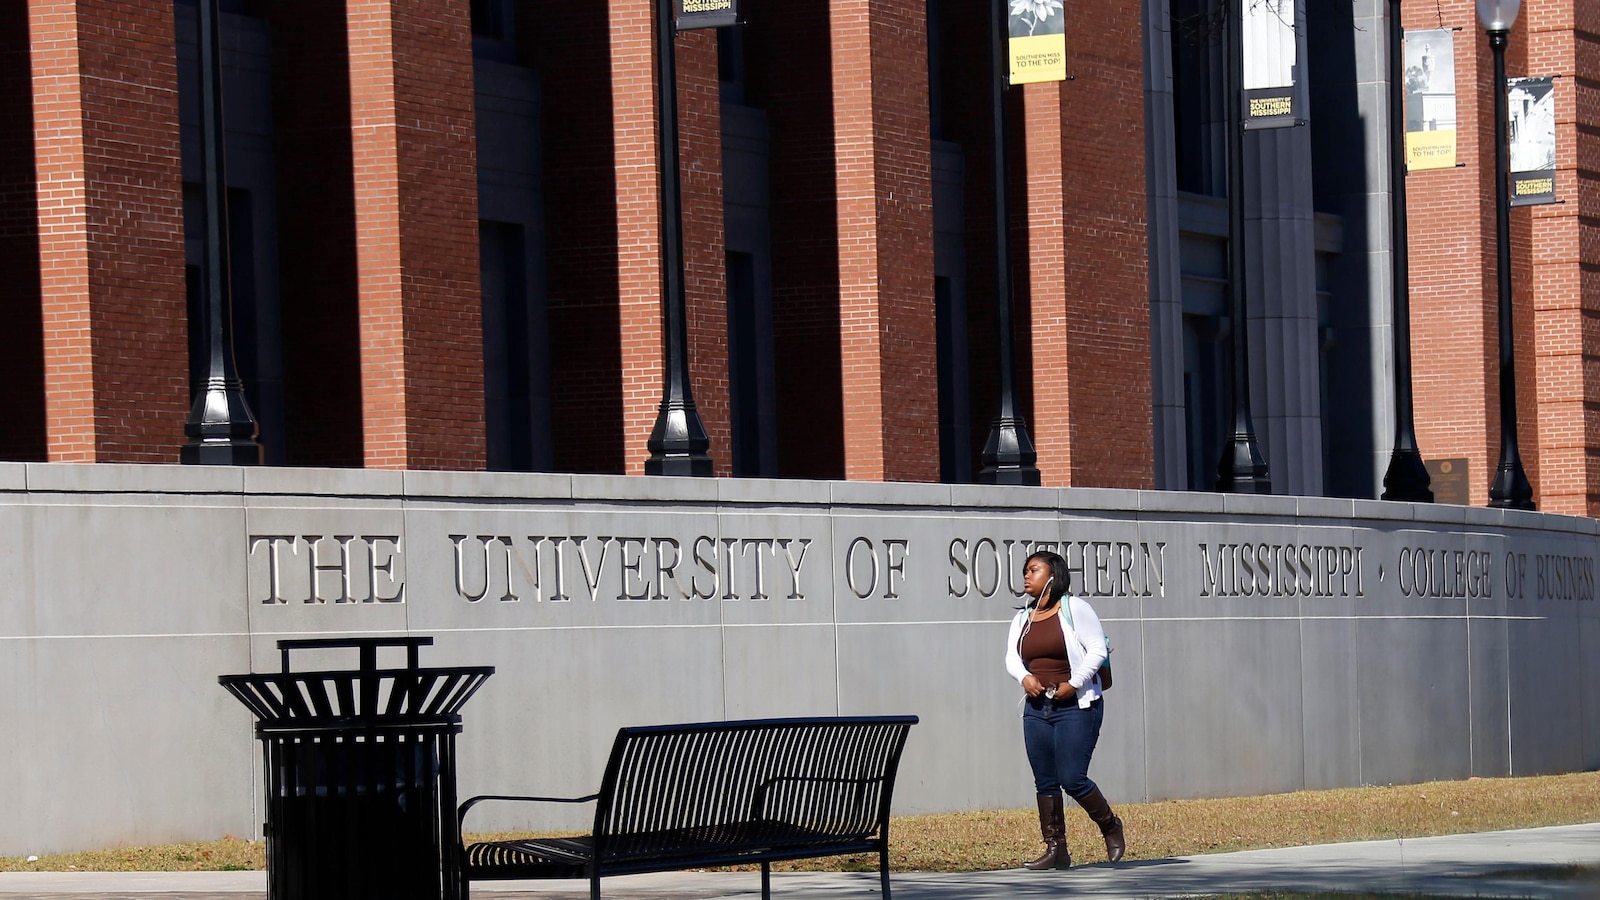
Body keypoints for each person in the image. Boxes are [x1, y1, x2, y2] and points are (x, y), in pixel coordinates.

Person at [1003, 549, 1125, 870]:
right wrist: (1025, 677)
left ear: (1052, 576)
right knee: (1045, 780)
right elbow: (1011, 657)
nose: (1026, 576)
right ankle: (1056, 848)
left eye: (1033, 570)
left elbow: (1097, 649)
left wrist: (1075, 682)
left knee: (1072, 778)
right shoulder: (1023, 618)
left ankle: (1110, 826)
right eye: (1025, 571)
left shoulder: (1075, 608)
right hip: (1037, 709)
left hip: (1077, 706)